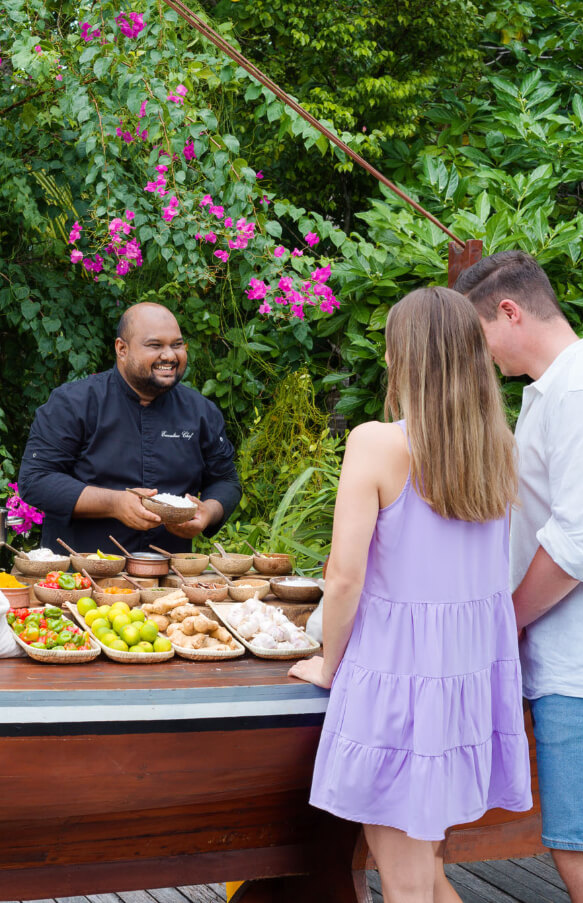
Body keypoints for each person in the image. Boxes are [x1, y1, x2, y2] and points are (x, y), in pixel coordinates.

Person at [289, 287, 532, 903]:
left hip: (398, 679)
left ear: (404, 357)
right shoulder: (497, 448)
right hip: (464, 682)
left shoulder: (377, 442)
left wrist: (326, 663)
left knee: (401, 880)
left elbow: (344, 578)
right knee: (420, 871)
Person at [453, 250, 583, 903]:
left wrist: (504, 620)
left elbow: (582, 538)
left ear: (509, 311)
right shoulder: (558, 388)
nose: (482, 357)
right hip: (575, 661)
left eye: (479, 338)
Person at [18, 302, 241, 554]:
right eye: (155, 345)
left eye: (177, 345)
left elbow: (225, 480)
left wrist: (208, 512)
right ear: (121, 349)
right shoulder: (74, 403)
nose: (169, 356)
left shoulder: (201, 411)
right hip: (78, 576)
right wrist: (114, 503)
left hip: (168, 582)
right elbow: (36, 479)